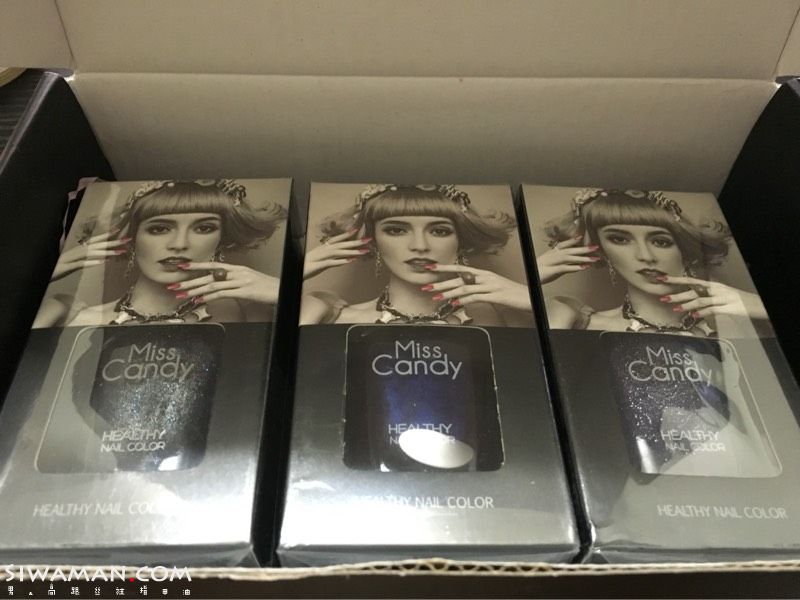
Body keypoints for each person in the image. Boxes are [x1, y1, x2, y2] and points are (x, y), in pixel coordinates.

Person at [35, 179, 286, 327]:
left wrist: (283, 293)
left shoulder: (250, 311)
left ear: (222, 240)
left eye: (204, 228)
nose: (179, 244)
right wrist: (35, 281)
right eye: (159, 229)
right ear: (131, 239)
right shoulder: (71, 315)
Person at [537, 188, 768, 335]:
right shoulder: (581, 324)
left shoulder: (737, 328)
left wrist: (762, 307)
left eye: (661, 242)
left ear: (685, 251)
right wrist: (534, 273)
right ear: (602, 250)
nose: (645, 256)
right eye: (619, 239)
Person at [301, 184, 533, 326]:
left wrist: (532, 300)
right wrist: (291, 278)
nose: (420, 246)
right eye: (396, 230)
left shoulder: (504, 317)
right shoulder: (330, 316)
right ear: (372, 240)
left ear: (461, 241)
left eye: (439, 231)